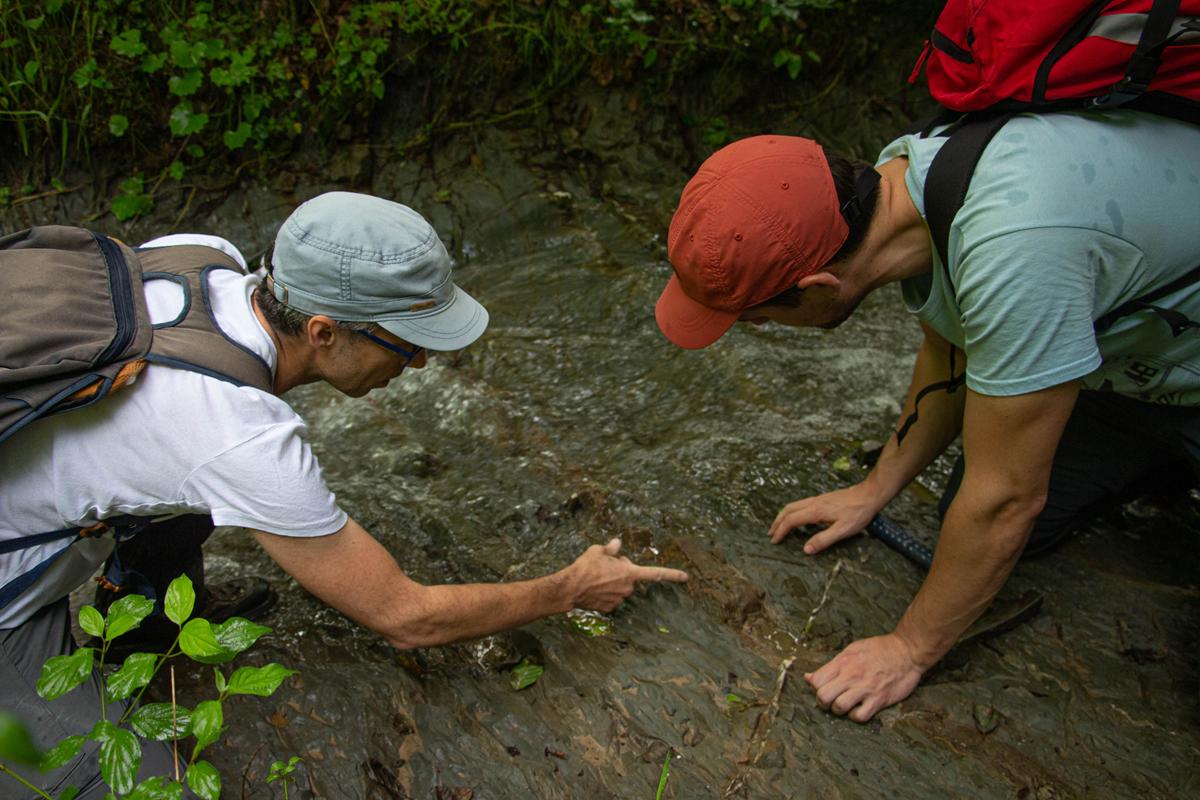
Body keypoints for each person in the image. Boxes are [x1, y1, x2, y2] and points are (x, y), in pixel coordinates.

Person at [1, 192, 687, 797]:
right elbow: (405, 616)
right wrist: (569, 588)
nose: (419, 366)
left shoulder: (202, 258)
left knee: (179, 488)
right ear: (324, 332)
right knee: (145, 787)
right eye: (408, 346)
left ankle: (145, 625)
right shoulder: (240, 438)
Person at [654, 111, 1200, 722]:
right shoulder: (912, 176)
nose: (761, 333)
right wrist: (874, 489)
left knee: (994, 518)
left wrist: (910, 647)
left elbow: (1006, 500)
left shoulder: (1012, 253)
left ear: (817, 288)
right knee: (967, 534)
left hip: (1173, 372)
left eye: (756, 320)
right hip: (1134, 368)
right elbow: (951, 345)